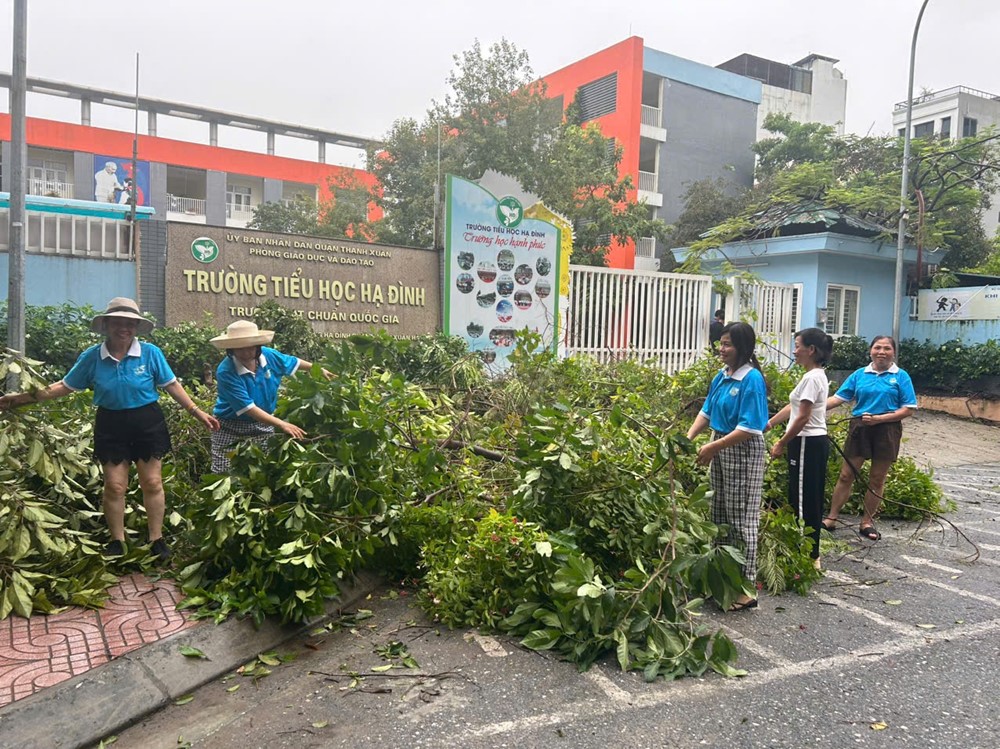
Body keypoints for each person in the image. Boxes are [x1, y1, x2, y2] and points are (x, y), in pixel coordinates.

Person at [0, 297, 220, 561]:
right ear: (106, 325)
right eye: (118, 322)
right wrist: (20, 399)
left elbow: (171, 385)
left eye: (130, 323)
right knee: (115, 486)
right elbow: (65, 386)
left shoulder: (151, 353)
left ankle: (156, 539)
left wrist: (196, 412)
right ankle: (117, 541)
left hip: (147, 422)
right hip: (111, 424)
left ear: (137, 327)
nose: (124, 328)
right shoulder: (92, 357)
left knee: (152, 482)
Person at [686, 322, 769, 611]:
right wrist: (688, 439)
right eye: (720, 344)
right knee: (718, 513)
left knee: (741, 519)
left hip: (741, 450)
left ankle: (746, 589)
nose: (722, 349)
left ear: (743, 347)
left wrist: (712, 447)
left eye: (728, 345)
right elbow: (706, 411)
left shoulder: (751, 379)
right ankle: (722, 580)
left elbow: (750, 427)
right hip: (719, 445)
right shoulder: (723, 377)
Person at [823, 335, 917, 541]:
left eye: (886, 348)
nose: (881, 352)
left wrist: (880, 419)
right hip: (860, 427)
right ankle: (831, 518)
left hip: (887, 430)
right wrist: (812, 408)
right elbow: (839, 398)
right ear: (870, 351)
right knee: (847, 475)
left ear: (893, 352)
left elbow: (908, 409)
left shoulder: (900, 377)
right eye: (877, 348)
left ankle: (866, 522)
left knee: (877, 478)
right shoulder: (859, 374)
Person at [209, 320, 333, 474]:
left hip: (263, 425)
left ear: (257, 347)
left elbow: (293, 361)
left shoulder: (269, 356)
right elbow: (249, 408)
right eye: (240, 349)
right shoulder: (226, 371)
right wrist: (282, 424)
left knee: (263, 471)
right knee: (224, 473)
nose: (246, 353)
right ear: (231, 350)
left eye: (250, 348)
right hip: (229, 427)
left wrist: (319, 370)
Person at [766, 328, 834, 568]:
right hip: (807, 441)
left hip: (807, 442)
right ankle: (805, 550)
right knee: (800, 496)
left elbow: (803, 417)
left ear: (811, 350)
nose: (794, 351)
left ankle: (810, 556)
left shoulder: (812, 377)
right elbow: (793, 407)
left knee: (805, 501)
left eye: (797, 346)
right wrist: (770, 423)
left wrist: (781, 442)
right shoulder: (812, 376)